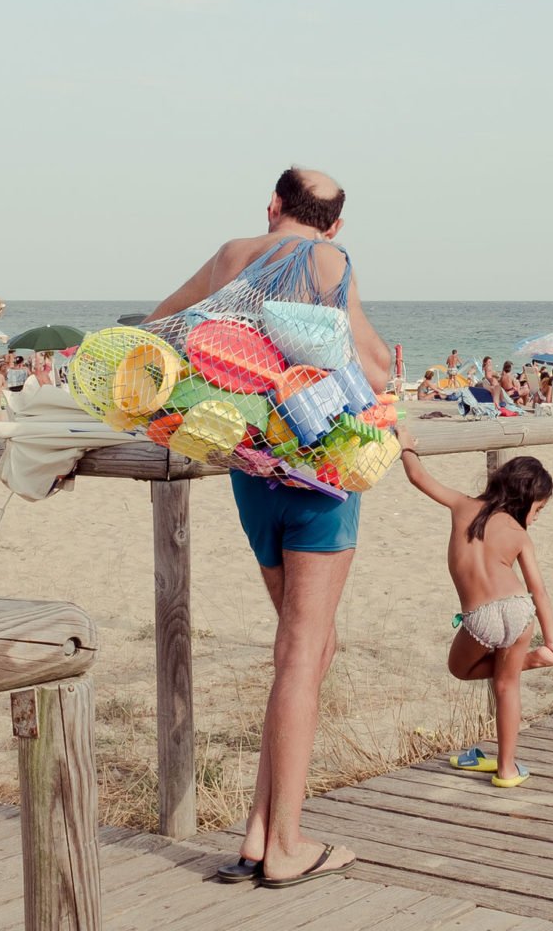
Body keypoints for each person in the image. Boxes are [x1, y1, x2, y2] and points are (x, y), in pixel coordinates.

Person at [148, 167, 389, 888]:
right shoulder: (331, 261)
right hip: (319, 469)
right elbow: (371, 363)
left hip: (250, 470)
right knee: (302, 651)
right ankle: (286, 845)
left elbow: (162, 323)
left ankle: (258, 829)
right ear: (336, 224)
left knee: (306, 647)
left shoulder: (231, 256)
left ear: (274, 205)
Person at [394, 427, 553, 788]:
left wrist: (405, 446)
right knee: (508, 687)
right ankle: (507, 769)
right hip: (520, 610)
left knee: (460, 669)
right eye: (538, 509)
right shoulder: (520, 535)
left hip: (482, 616)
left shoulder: (462, 505)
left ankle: (532, 661)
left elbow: (417, 476)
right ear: (525, 501)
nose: (537, 517)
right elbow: (539, 590)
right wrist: (552, 639)